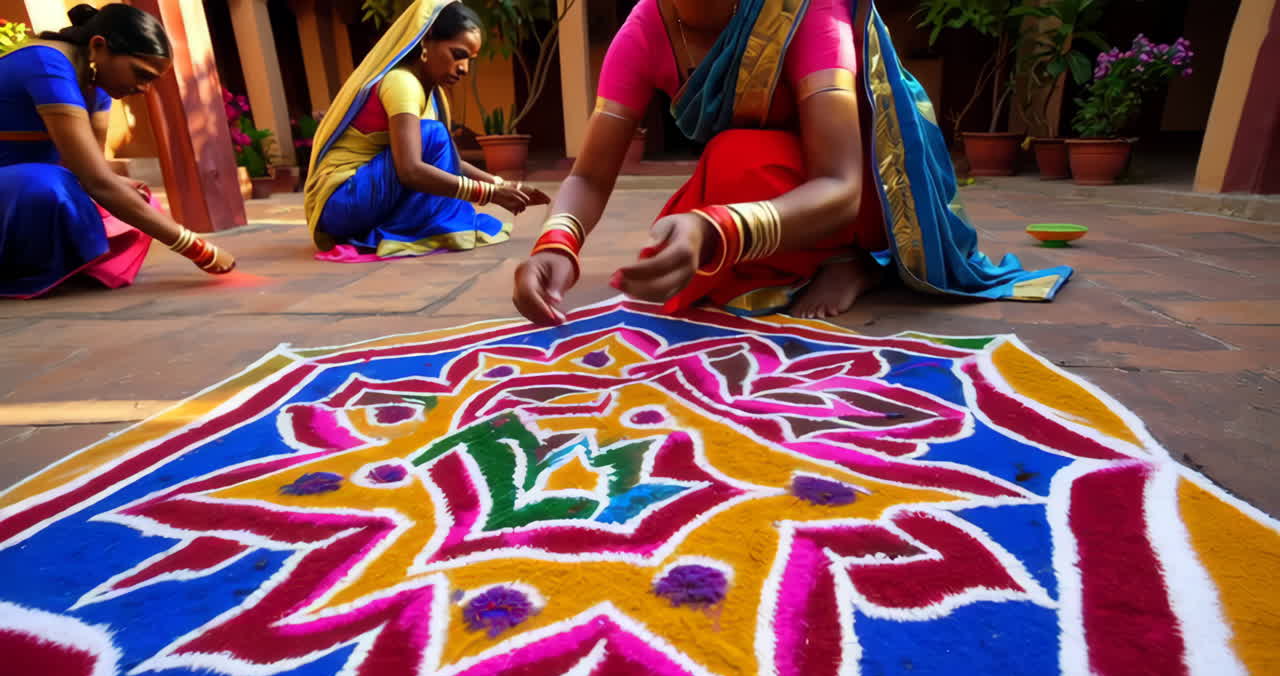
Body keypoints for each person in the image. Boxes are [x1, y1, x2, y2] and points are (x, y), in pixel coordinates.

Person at [512, 0, 1073, 324]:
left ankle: (857, 258)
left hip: (861, 186)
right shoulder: (643, 28)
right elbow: (587, 173)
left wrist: (718, 228)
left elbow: (842, 184)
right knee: (730, 166)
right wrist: (556, 245)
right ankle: (815, 258)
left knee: (723, 202)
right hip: (765, 178)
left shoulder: (807, 11)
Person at [0, 3, 235, 299]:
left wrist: (118, 184)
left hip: (27, 184)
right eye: (140, 73)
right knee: (46, 186)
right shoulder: (47, 65)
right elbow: (94, 180)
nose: (144, 88)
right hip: (24, 186)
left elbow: (91, 168)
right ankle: (23, 270)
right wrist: (196, 248)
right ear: (98, 47)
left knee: (140, 200)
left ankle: (65, 265)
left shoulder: (97, 84)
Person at [304, 0, 549, 263]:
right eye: (457, 54)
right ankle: (408, 229)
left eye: (470, 60)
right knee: (432, 134)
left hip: (356, 202)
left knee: (433, 136)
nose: (464, 68)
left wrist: (501, 185)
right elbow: (410, 169)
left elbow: (451, 162)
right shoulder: (401, 82)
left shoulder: (428, 92)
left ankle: (403, 227)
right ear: (426, 41)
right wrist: (486, 193)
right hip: (342, 203)